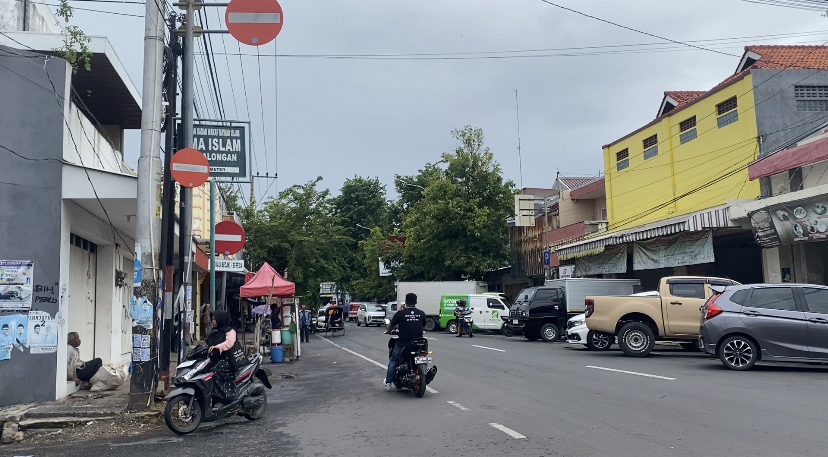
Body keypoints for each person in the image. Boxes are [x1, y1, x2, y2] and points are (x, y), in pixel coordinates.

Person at [384, 293, 426, 390]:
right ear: (416, 301)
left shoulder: (400, 313)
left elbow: (391, 325)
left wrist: (388, 331)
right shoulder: (421, 313)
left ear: (406, 302)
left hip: (403, 342)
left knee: (394, 360)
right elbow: (423, 326)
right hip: (418, 342)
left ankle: (389, 382)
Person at [206, 310, 237, 411]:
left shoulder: (230, 331)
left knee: (214, 373)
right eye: (212, 319)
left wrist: (218, 347)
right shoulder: (214, 332)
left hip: (227, 361)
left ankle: (220, 400)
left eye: (215, 319)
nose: (213, 321)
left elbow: (229, 343)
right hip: (215, 360)